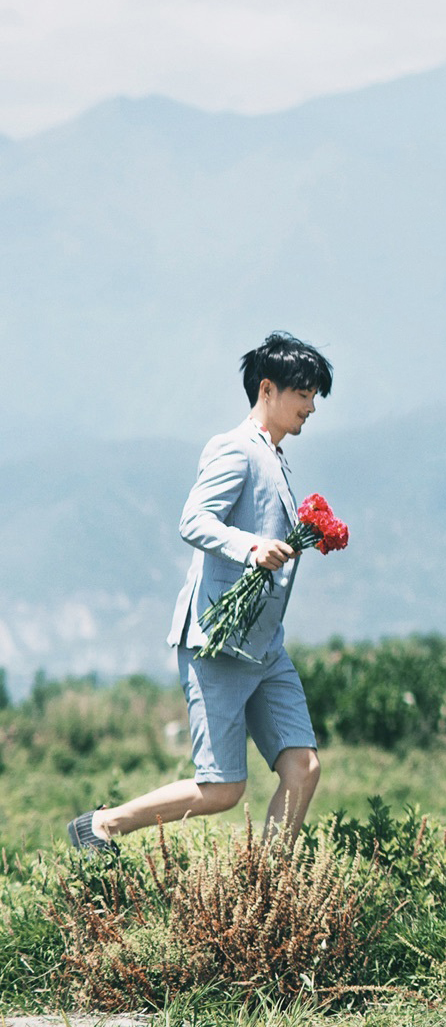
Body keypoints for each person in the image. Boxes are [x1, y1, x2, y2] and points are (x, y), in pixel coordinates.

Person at [68, 334, 334, 854]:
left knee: (303, 768)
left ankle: (262, 895)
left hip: (264, 644)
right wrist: (253, 547)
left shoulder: (274, 456)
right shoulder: (234, 448)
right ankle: (101, 826)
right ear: (267, 388)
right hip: (219, 642)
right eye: (303, 393)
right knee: (222, 789)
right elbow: (193, 520)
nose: (311, 405)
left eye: (314, 395)